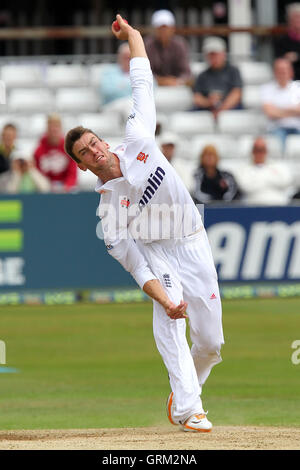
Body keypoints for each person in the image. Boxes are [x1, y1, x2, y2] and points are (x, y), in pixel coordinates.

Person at [64, 15, 224, 433]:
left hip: (191, 239)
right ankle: (191, 410)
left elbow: (142, 84)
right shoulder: (109, 214)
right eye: (85, 152)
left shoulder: (137, 137)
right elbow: (138, 268)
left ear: (103, 139)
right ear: (81, 167)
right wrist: (165, 301)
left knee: (211, 343)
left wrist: (134, 35)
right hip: (157, 254)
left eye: (94, 141)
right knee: (169, 318)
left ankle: (186, 393)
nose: (95, 151)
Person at [193, 36, 243, 119]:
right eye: (210, 55)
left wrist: (221, 109)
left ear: (223, 53)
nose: (213, 58)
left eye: (216, 54)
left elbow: (236, 94)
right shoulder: (202, 75)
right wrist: (208, 102)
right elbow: (197, 97)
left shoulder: (233, 71)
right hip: (207, 111)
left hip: (230, 110)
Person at [234, 136, 293, 205]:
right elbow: (246, 187)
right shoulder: (243, 169)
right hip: (252, 207)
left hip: (279, 206)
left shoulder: (279, 166)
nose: (259, 153)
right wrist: (270, 177)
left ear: (267, 151)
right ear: (252, 151)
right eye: (257, 150)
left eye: (262, 150)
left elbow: (286, 181)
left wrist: (258, 178)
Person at [144, 9, 192, 87]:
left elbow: (186, 72)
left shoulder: (180, 44)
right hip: (152, 88)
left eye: (166, 27)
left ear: (173, 29)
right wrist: (161, 81)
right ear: (154, 29)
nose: (163, 31)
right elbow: (144, 72)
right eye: (160, 28)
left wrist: (177, 81)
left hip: (177, 88)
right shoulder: (147, 45)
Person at [261, 58, 300, 149]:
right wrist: (293, 110)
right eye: (280, 70)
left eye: (285, 69)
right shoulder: (267, 88)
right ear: (275, 72)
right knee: (277, 149)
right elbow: (270, 112)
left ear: (291, 71)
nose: (283, 73)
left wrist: (279, 110)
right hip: (276, 129)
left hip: (297, 127)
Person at [33, 113, 77, 192]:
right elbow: (37, 173)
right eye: (51, 127)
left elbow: (72, 173)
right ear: (47, 129)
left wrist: (67, 187)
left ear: (60, 128)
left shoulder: (69, 148)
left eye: (56, 126)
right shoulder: (38, 150)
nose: (53, 130)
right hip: (45, 190)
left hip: (65, 189)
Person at [274, 3, 300, 81]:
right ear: (289, 20)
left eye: (299, 17)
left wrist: (297, 56)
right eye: (294, 18)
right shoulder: (282, 41)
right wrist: (286, 59)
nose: (297, 21)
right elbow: (279, 61)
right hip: (289, 82)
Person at [0, 123, 17, 192]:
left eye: (10, 136)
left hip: (15, 189)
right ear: (2, 136)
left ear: (15, 136)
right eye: (6, 135)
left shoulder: (19, 154)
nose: (8, 138)